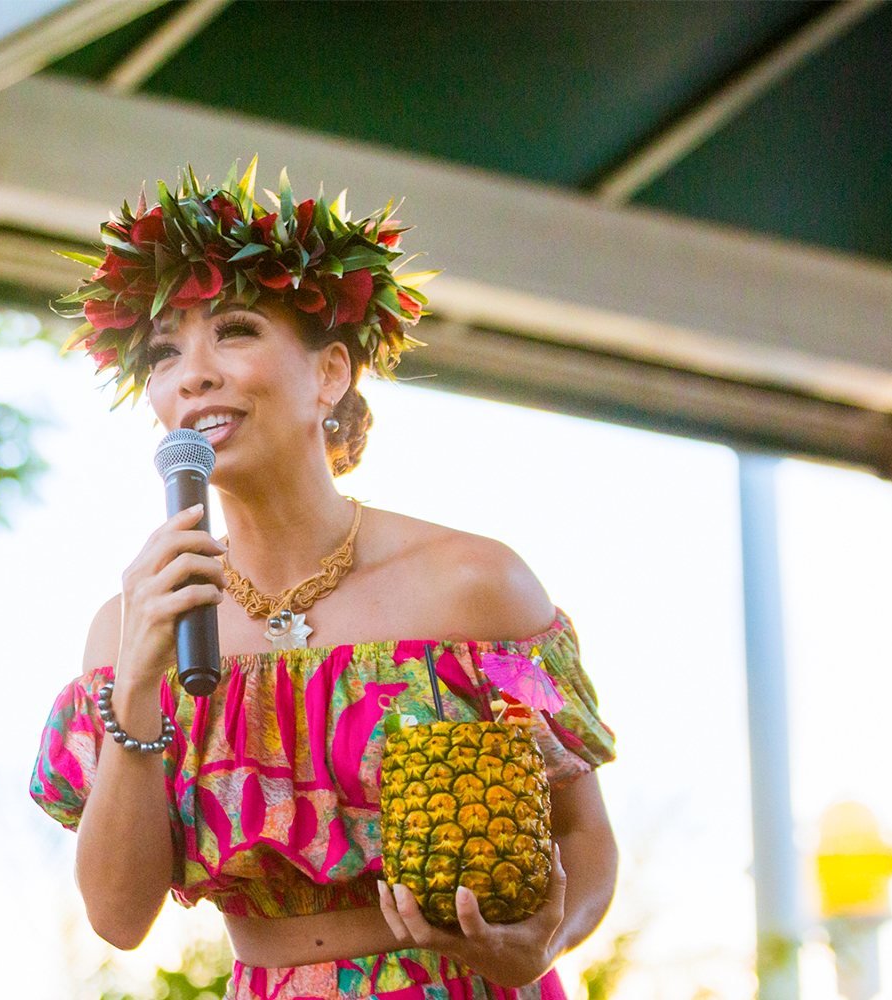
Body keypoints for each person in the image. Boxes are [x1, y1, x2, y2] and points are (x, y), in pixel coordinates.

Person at [31, 162, 618, 1000]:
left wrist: (546, 942)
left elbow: (585, 840)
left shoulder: (474, 585)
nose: (192, 372)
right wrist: (136, 689)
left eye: (234, 330)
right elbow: (119, 917)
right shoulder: (131, 626)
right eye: (165, 352)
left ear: (331, 375)